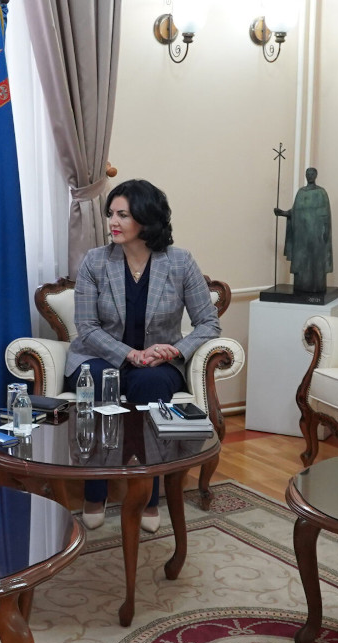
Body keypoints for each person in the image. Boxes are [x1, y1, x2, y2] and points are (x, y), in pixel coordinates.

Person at [64, 179, 220, 532]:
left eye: (123, 215)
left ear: (146, 219)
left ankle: (149, 494)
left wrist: (175, 350)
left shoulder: (179, 262)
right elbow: (86, 327)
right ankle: (95, 491)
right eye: (111, 214)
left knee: (150, 385)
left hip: (157, 362)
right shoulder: (95, 261)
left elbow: (209, 323)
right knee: (101, 380)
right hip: (100, 356)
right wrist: (131, 354)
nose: (113, 222)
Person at [274, 167, 333, 293]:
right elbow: (295, 212)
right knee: (301, 261)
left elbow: (326, 215)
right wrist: (283, 213)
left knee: (317, 262)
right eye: (308, 173)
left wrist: (325, 231)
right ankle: (302, 286)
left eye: (312, 173)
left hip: (317, 236)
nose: (310, 175)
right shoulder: (301, 193)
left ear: (316, 175)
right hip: (302, 235)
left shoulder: (321, 193)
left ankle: (317, 286)